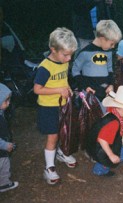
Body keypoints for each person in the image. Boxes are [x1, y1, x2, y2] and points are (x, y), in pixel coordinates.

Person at [33, 27, 78, 185]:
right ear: (53, 49)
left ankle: (61, 152)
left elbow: (63, 80)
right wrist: (58, 90)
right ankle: (49, 167)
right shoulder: (45, 68)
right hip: (48, 108)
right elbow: (37, 89)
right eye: (66, 55)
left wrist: (68, 89)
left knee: (63, 131)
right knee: (52, 136)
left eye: (71, 55)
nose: (69, 59)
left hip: (63, 105)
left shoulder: (63, 62)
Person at [86, 85, 123, 176]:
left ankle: (102, 162)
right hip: (100, 147)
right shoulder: (114, 122)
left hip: (100, 144)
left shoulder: (116, 114)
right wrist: (111, 156)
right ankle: (101, 168)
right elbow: (102, 139)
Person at [72, 19, 122, 113]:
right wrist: (85, 86)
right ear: (103, 38)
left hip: (105, 93)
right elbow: (75, 71)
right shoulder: (85, 52)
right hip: (90, 94)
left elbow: (109, 69)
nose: (113, 47)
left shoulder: (108, 52)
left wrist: (111, 84)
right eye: (112, 43)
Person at [0, 83, 18, 192]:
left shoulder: (1, 113)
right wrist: (5, 145)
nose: (9, 103)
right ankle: (4, 183)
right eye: (6, 100)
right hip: (1, 151)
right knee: (4, 165)